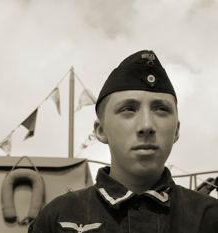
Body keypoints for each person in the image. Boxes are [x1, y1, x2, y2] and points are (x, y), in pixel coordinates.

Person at [28, 50, 218, 233]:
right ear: (101, 131)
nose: (146, 125)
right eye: (128, 109)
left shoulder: (210, 218)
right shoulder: (57, 219)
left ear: (176, 131)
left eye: (160, 109)